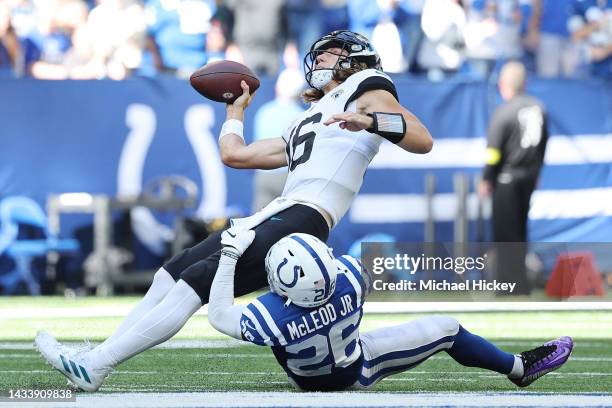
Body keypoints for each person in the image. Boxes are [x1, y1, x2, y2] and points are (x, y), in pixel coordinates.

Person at [35, 30, 433, 391]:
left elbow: (421, 138)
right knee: (171, 272)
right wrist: (235, 110)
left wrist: (369, 119)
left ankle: (99, 366)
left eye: (330, 53)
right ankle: (94, 357)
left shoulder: (367, 85)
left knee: (198, 280)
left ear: (354, 59)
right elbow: (235, 154)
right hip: (278, 212)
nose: (320, 60)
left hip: (305, 218)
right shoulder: (310, 116)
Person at [207, 229, 573, 391]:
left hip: (304, 378)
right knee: (447, 327)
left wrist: (229, 255)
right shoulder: (350, 275)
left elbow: (219, 314)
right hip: (357, 367)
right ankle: (518, 368)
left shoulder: (271, 314)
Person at [478, 61, 548, 295]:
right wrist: (536, 172)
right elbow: (544, 143)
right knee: (520, 231)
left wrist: (487, 178)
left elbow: (493, 151)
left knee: (505, 233)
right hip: (528, 176)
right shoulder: (538, 108)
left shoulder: (505, 111)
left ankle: (509, 286)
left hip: (506, 178)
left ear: (502, 84)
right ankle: (522, 283)